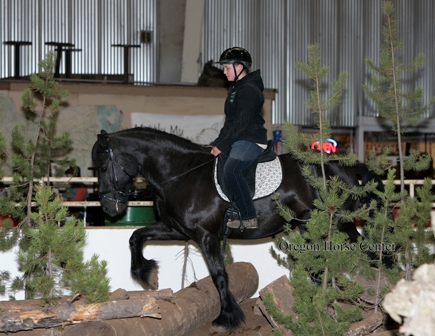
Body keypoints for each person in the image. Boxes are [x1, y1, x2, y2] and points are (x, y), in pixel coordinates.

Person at [209, 47, 268, 229]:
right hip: (239, 138)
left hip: (250, 140)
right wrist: (217, 143)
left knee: (232, 170)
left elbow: (241, 124)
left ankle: (249, 216)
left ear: (240, 67)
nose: (224, 72)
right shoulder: (236, 89)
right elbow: (230, 123)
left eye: (227, 68)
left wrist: (223, 145)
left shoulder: (249, 90)